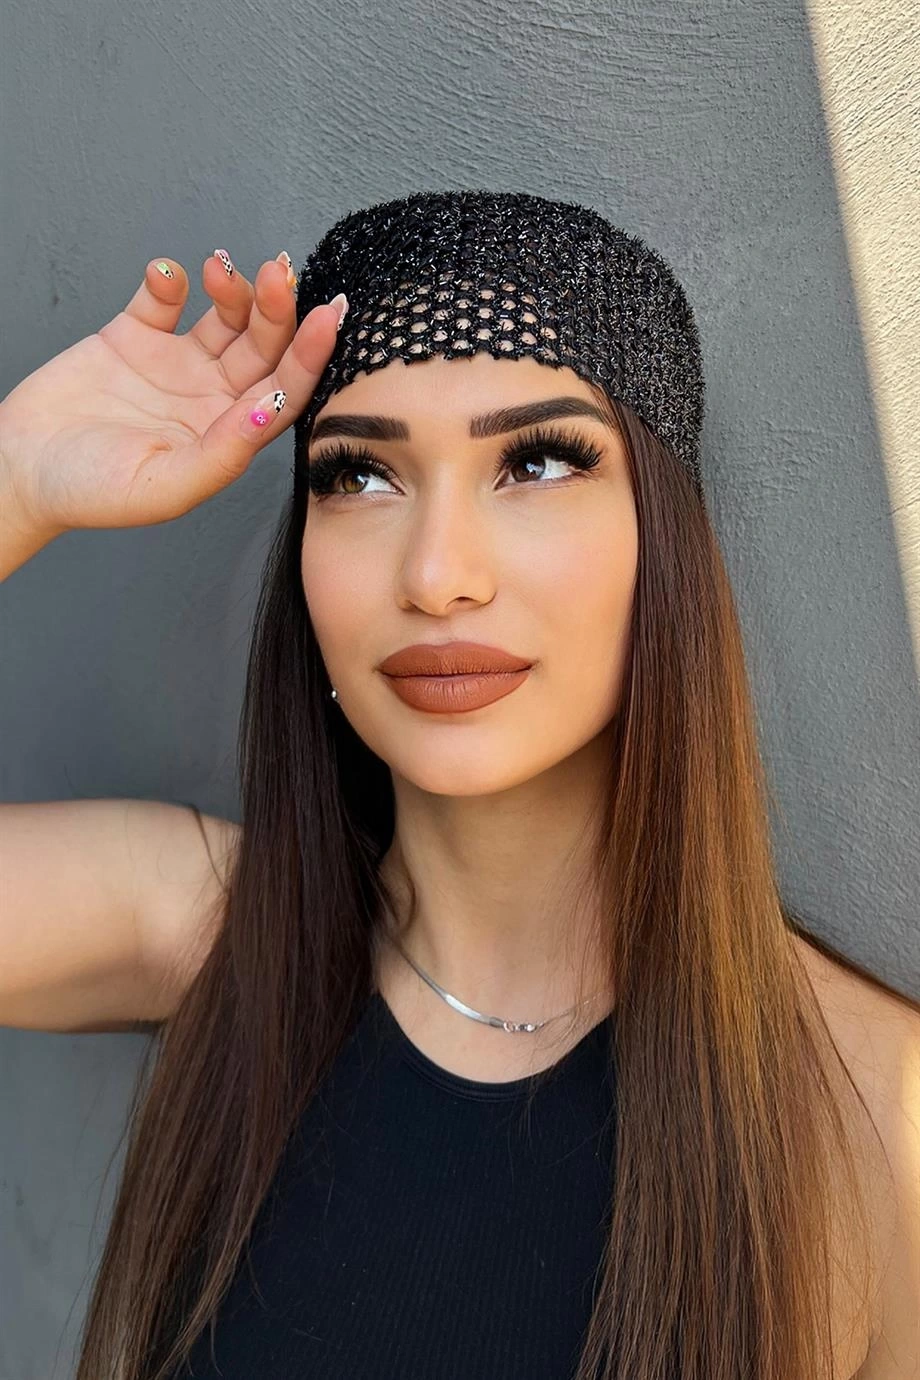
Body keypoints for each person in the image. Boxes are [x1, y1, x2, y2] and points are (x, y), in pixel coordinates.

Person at [0, 189, 917, 1380]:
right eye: (359, 476)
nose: (436, 576)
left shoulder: (877, 1113)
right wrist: (16, 476)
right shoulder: (209, 932)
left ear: (662, 540)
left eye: (534, 461)